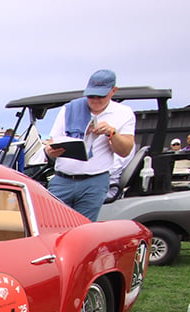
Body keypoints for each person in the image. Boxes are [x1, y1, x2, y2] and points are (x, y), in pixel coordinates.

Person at [45, 69, 135, 221]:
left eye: (101, 96)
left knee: (83, 228)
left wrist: (112, 133)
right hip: (62, 179)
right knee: (52, 224)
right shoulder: (69, 109)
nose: (95, 100)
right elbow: (51, 143)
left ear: (113, 91)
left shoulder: (124, 113)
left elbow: (125, 151)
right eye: (91, 95)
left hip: (94, 181)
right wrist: (50, 151)